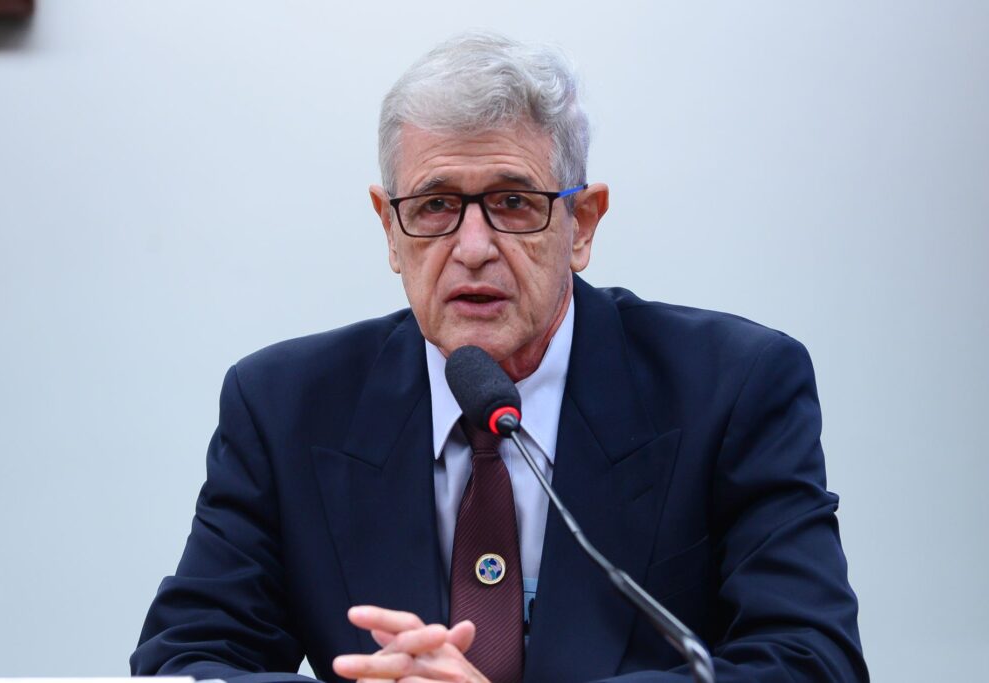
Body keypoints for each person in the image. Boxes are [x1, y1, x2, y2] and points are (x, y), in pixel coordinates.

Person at [131, 31, 867, 683]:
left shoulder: (732, 388)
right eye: (435, 206)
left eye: (514, 203)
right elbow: (183, 660)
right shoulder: (284, 408)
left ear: (582, 224)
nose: (474, 247)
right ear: (390, 231)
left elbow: (812, 659)